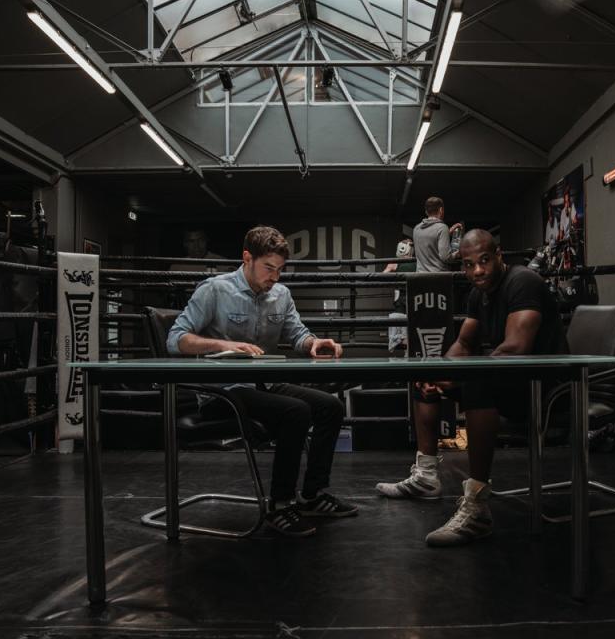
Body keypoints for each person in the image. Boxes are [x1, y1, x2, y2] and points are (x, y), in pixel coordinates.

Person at [376, 229, 568, 547]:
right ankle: (426, 477)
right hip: (512, 383)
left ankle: (477, 506)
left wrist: (461, 377)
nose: (477, 270)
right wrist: (439, 373)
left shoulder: (522, 282)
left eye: (484, 261)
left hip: (545, 388)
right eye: (469, 265)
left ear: (498, 256)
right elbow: (464, 343)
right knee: (423, 378)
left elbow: (515, 349)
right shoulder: (479, 294)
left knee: (478, 386)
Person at [167, 226, 357, 537]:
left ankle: (312, 495)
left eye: (280, 270)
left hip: (260, 386)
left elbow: (297, 334)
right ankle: (280, 505)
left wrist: (313, 343)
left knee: (331, 406)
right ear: (247, 258)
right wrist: (223, 345)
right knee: (295, 411)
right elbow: (175, 339)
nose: (275, 277)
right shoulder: (214, 290)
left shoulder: (280, 295)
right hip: (221, 394)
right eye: (269, 268)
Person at [412, 196, 463, 273]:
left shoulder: (416, 228)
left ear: (426, 212)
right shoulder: (442, 228)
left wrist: (448, 232)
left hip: (420, 277)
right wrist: (457, 254)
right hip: (438, 278)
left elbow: (429, 239)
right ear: (441, 210)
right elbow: (446, 257)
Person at [383, 239, 416, 351]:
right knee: (406, 318)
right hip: (410, 295)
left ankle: (401, 341)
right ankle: (403, 341)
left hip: (408, 294)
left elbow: (382, 276)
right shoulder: (417, 261)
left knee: (404, 318)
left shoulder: (397, 262)